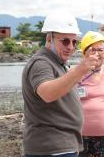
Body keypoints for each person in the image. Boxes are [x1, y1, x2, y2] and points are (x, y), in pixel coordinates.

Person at [22, 10, 99, 157]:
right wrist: (81, 69)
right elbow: (48, 93)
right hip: (51, 148)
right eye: (65, 41)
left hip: (60, 146)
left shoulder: (57, 63)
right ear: (49, 39)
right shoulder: (41, 63)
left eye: (74, 42)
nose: (70, 46)